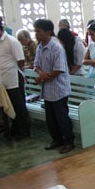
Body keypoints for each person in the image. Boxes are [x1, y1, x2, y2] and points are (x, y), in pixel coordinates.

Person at [33, 19, 74, 154]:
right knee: (50, 118)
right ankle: (57, 140)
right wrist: (41, 73)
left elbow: (59, 69)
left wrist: (44, 77)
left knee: (62, 117)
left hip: (59, 89)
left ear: (48, 32)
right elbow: (36, 65)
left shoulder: (56, 48)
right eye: (36, 31)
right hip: (47, 90)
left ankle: (68, 141)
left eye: (38, 31)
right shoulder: (40, 47)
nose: (36, 34)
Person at [0, 20, 31, 141]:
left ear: (0, 29)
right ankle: (15, 128)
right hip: (3, 81)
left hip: (14, 78)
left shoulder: (11, 41)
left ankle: (25, 130)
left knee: (19, 106)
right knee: (10, 106)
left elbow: (20, 61)